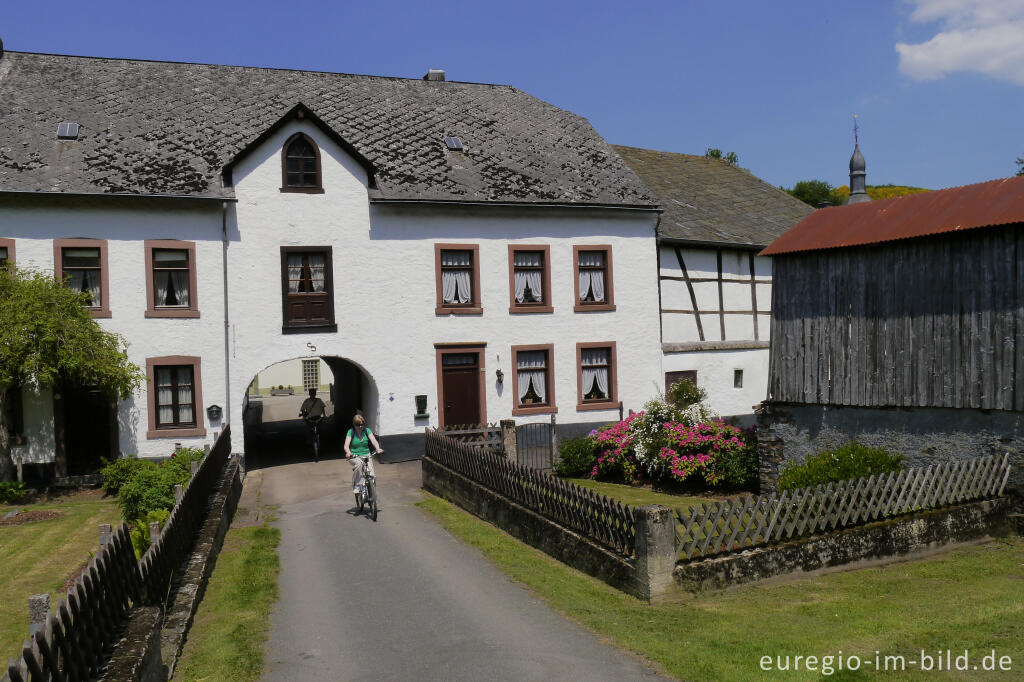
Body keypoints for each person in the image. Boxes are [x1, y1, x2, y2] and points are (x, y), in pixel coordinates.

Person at [344, 414, 383, 500]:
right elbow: (346, 445)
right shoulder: (351, 432)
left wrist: (378, 448)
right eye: (358, 425)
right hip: (354, 455)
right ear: (354, 424)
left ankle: (373, 497)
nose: (360, 426)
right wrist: (348, 452)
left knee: (372, 476)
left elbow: (373, 440)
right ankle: (357, 486)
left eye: (362, 424)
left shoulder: (367, 430)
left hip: (366, 454)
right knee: (359, 464)